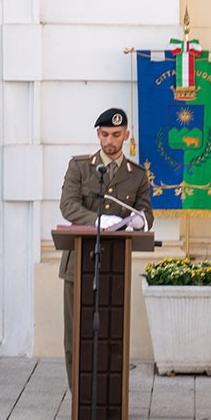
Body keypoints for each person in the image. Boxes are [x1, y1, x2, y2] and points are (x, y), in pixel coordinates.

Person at [59, 107, 154, 388]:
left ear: (126, 135)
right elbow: (68, 205)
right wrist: (97, 220)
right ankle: (79, 396)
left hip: (115, 265)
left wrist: (140, 220)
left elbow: (146, 211)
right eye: (104, 134)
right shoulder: (80, 167)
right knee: (76, 335)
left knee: (113, 333)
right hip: (79, 263)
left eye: (115, 134)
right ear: (98, 135)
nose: (109, 141)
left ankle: (110, 395)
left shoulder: (136, 175)